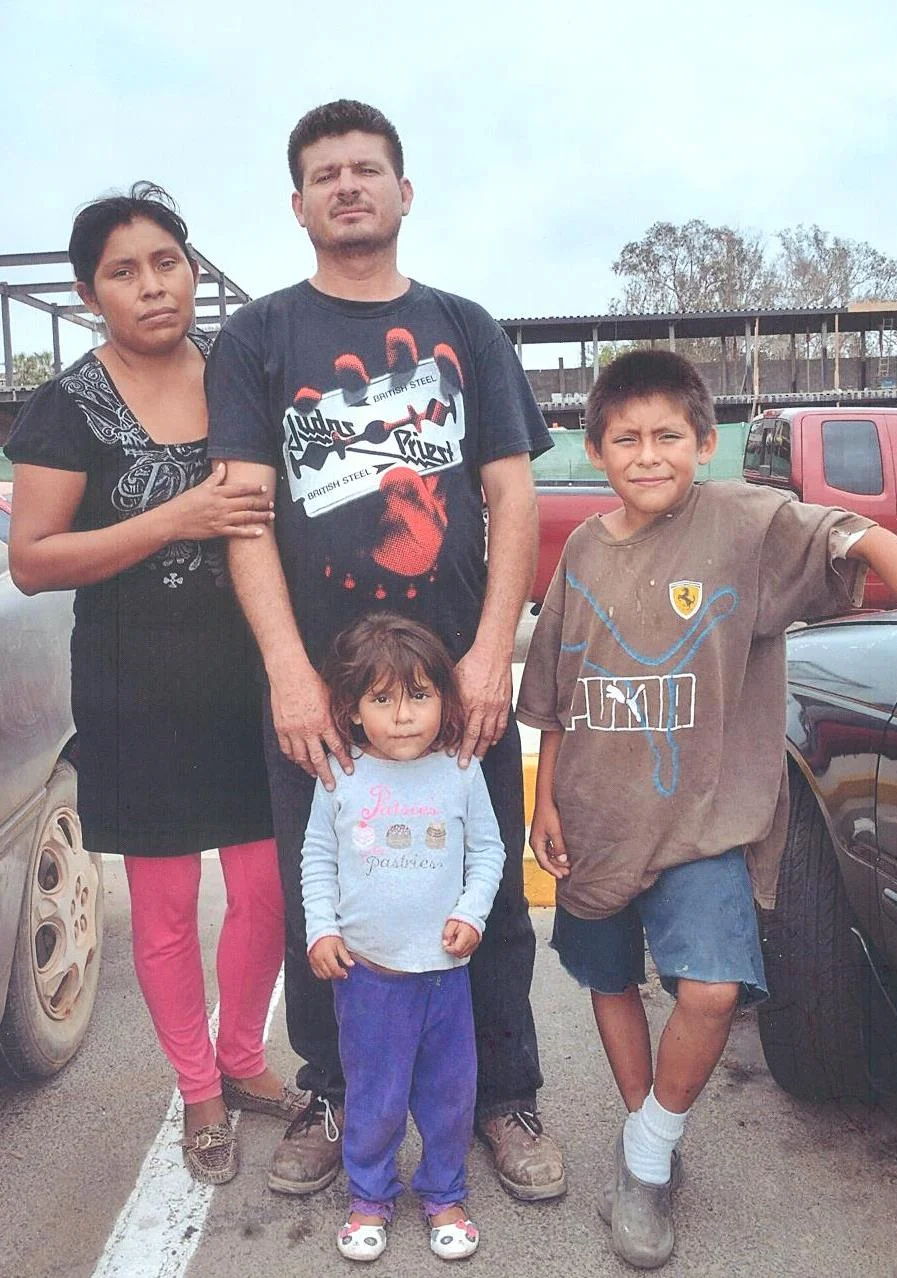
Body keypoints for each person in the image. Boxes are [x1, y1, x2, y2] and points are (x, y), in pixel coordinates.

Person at [205, 99, 565, 1202]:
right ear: (298, 204)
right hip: (324, 691)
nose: (347, 186)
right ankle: (331, 1091)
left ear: (404, 192)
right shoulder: (258, 338)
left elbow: (511, 496)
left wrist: (489, 654)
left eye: (366, 169)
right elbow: (244, 513)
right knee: (327, 890)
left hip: (453, 681)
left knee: (482, 884)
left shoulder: (466, 326)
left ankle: (502, 1095)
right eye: (325, 174)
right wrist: (288, 672)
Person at [516, 348, 897, 1269]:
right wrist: (544, 803)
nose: (647, 455)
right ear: (594, 449)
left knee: (709, 990)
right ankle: (645, 1143)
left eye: (667, 435)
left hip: (706, 821)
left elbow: (870, 542)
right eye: (626, 439)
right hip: (594, 818)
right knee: (610, 982)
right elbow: (552, 693)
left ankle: (647, 1153)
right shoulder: (581, 550)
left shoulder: (749, 523)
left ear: (705, 443)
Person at [6, 183, 306, 1185]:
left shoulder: (243, 377)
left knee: (265, 890)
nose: (151, 286)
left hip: (253, 677)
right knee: (168, 905)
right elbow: (33, 560)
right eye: (123, 272)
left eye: (167, 262)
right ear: (89, 295)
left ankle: (244, 1058)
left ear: (191, 268)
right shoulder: (66, 406)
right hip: (136, 689)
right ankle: (199, 1091)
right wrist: (174, 520)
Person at [302, 613, 504, 1261]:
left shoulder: (461, 771)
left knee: (449, 1097)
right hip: (368, 979)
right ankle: (369, 1197)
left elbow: (488, 853)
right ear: (352, 710)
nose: (403, 715)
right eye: (382, 699)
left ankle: (444, 1194)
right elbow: (317, 858)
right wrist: (321, 929)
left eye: (419, 695)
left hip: (445, 978)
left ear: (444, 698)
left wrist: (472, 913)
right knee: (375, 1096)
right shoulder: (341, 776)